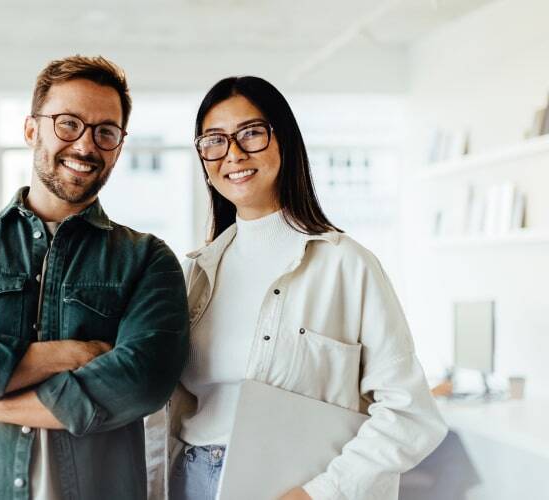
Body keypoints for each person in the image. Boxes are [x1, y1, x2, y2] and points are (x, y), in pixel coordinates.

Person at [0, 55, 189, 500]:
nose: (86, 146)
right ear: (32, 129)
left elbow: (144, 380)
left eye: (105, 132)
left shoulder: (147, 259)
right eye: (68, 123)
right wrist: (71, 354)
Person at [146, 76, 447, 500]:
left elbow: (411, 413)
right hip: (191, 481)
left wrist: (318, 494)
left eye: (251, 133)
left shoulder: (347, 265)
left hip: (298, 489)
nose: (233, 153)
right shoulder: (194, 273)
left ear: (284, 141)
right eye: (214, 140)